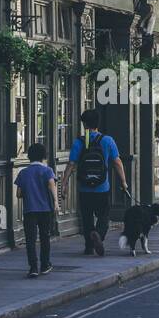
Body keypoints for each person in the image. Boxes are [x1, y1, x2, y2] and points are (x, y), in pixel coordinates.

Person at [60, 108, 127, 257]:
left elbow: (71, 164)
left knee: (87, 217)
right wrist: (123, 182)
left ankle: (89, 247)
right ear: (98, 123)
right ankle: (99, 235)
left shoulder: (79, 142)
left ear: (84, 124)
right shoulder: (107, 140)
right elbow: (117, 162)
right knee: (103, 216)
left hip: (84, 188)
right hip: (102, 187)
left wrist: (64, 184)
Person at [15, 142, 59, 278]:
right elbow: (52, 187)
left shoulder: (23, 173)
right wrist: (56, 203)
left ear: (29, 157)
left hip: (30, 210)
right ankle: (45, 264)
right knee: (45, 237)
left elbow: (18, 194)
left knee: (30, 239)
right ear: (43, 157)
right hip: (45, 209)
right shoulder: (47, 171)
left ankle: (33, 267)